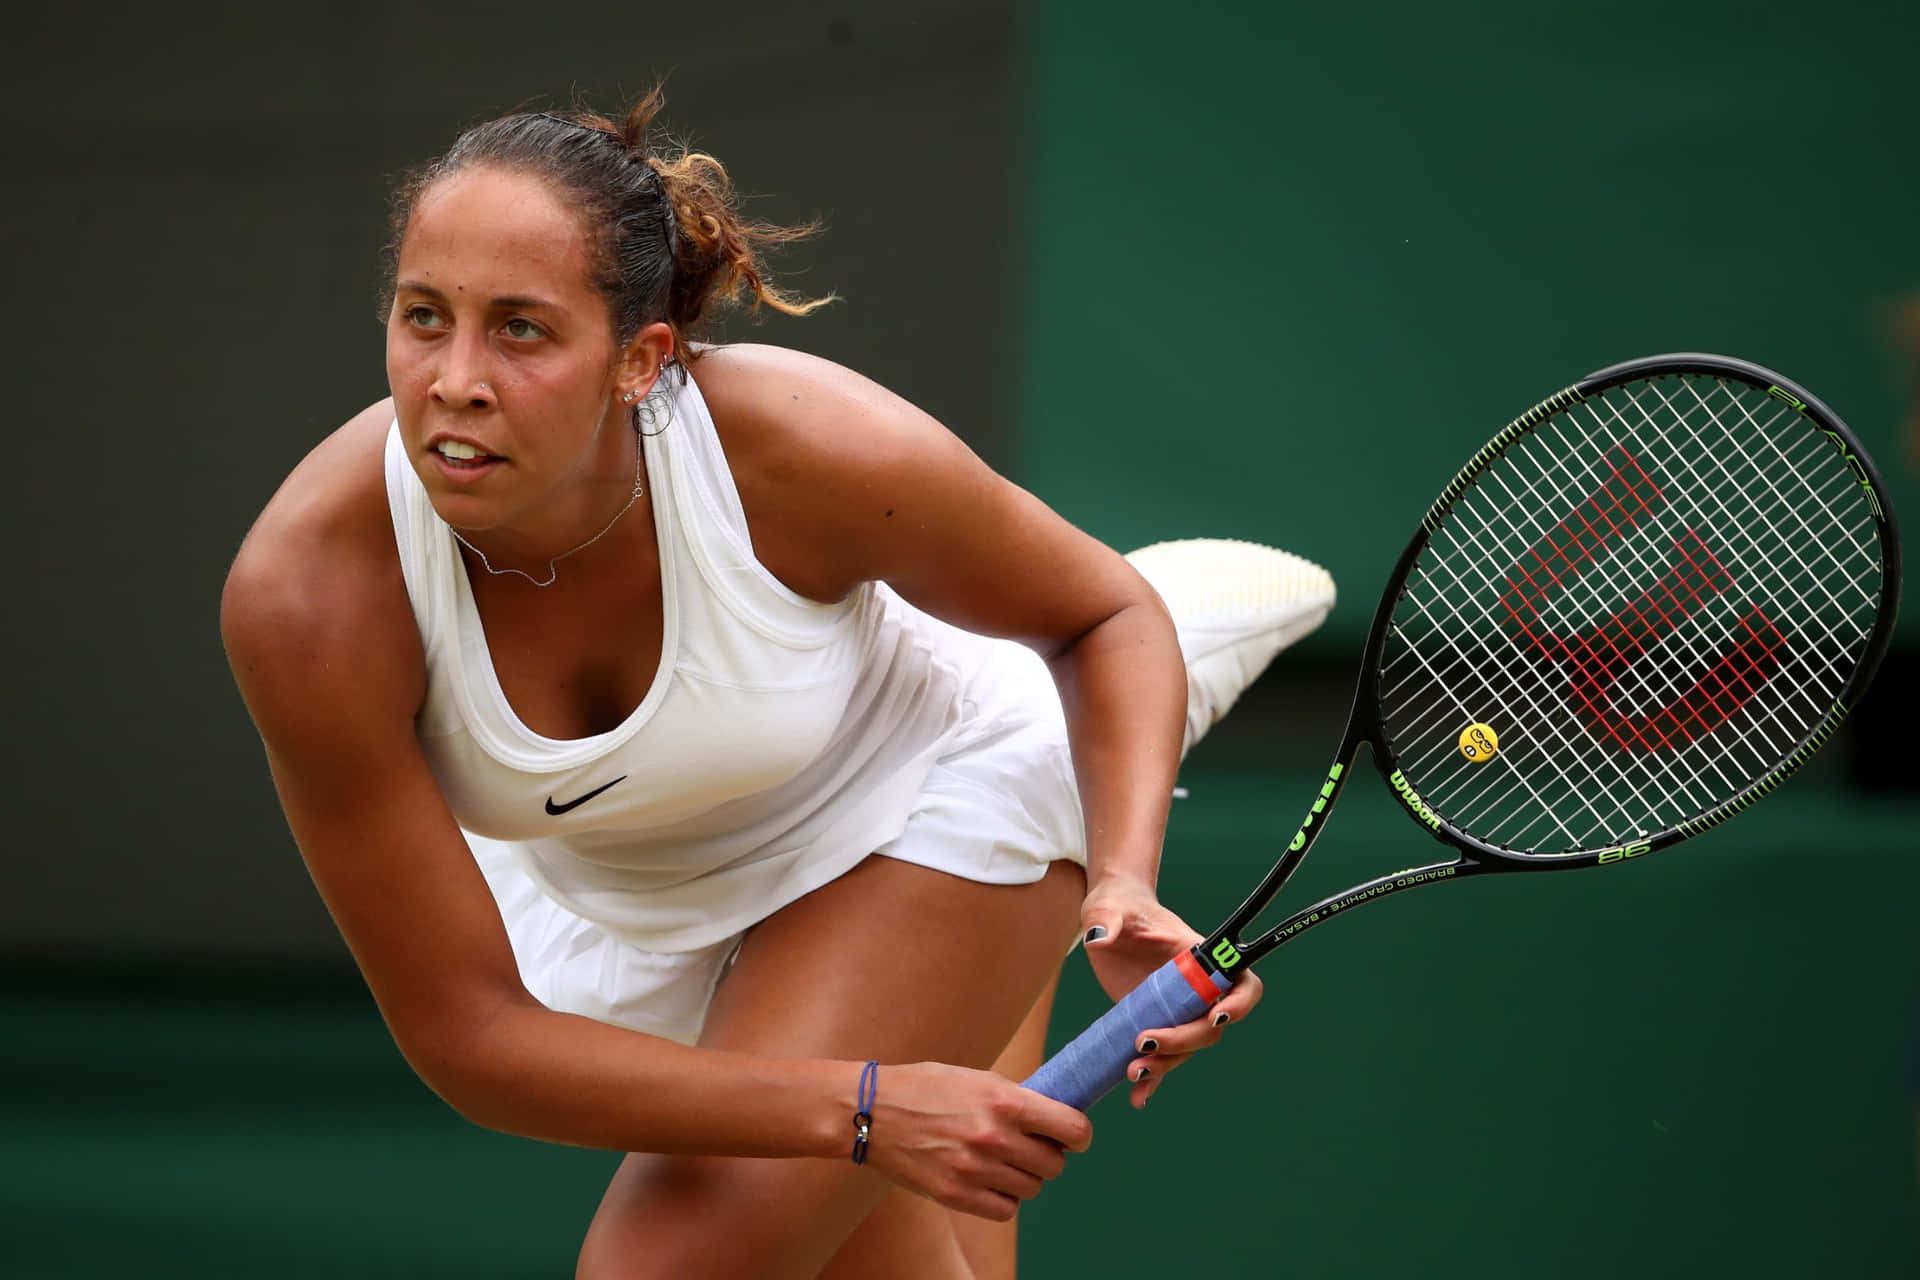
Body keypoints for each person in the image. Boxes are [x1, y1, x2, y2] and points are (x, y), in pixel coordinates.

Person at [221, 89, 1331, 1280]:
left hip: (922, 797)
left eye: (523, 330)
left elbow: (1103, 608)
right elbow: (473, 1037)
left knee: (671, 1267)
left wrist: (1120, 883)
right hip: (641, 906)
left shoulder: (801, 446)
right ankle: (953, 1023)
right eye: (423, 317)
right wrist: (863, 1103)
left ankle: (1005, 922)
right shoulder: (309, 595)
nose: (455, 379)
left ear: (641, 361)